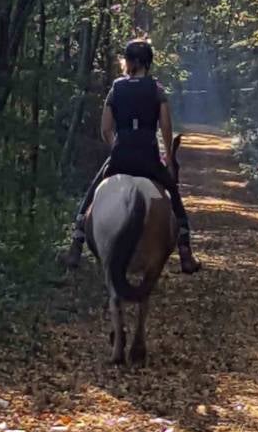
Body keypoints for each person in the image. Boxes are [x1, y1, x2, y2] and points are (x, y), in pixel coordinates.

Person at [63, 39, 202, 274]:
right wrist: (167, 157)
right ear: (146, 63)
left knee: (91, 193)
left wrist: (116, 146)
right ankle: (186, 251)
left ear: (130, 62)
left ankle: (76, 243)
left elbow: (106, 128)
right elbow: (166, 126)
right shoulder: (157, 89)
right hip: (148, 156)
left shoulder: (116, 88)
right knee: (174, 197)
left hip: (122, 155)